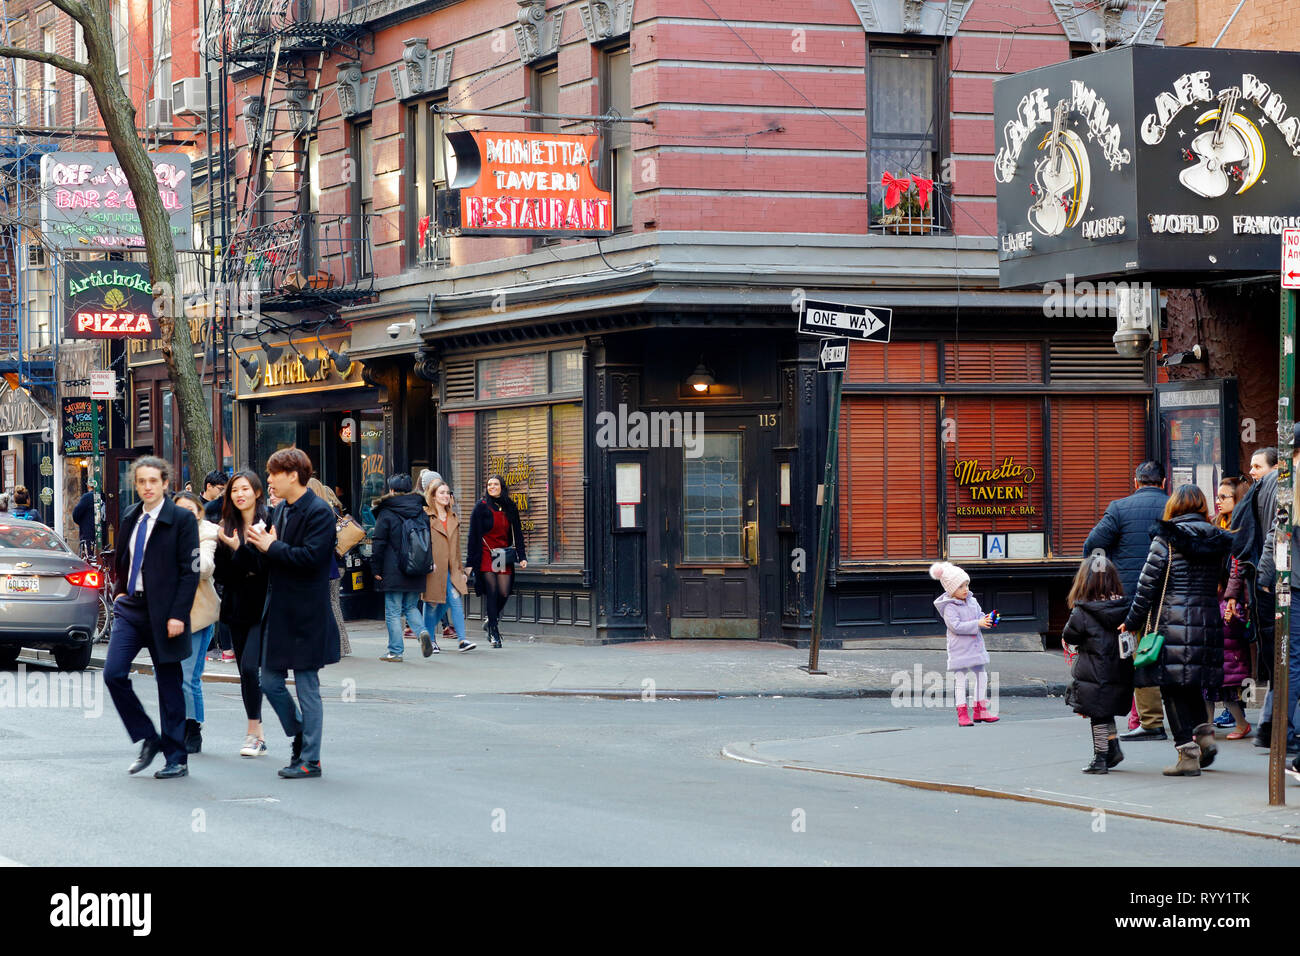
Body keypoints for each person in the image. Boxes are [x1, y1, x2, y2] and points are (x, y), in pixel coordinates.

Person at [1121, 484, 1233, 777]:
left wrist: (1131, 622)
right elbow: (1221, 582)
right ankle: (1206, 737)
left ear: (1174, 506)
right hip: (1207, 621)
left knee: (1171, 688)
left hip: (1172, 623)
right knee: (1193, 683)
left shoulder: (1166, 539)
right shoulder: (1218, 540)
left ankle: (1187, 754)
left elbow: (1146, 587)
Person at [102, 457, 200, 779]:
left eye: (153, 481)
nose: (147, 487)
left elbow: (190, 573)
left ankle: (176, 757)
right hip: (131, 609)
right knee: (113, 673)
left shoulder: (182, 520)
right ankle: (148, 737)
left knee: (169, 684)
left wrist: (178, 615)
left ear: (165, 483)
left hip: (165, 613)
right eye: (141, 481)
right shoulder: (131, 514)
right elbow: (122, 558)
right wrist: (118, 590)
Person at [246, 448, 340, 778]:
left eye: (274, 473)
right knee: (268, 681)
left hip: (306, 613)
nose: (268, 479)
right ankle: (300, 732)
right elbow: (273, 560)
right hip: (279, 610)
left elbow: (311, 559)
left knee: (307, 686)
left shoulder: (319, 512)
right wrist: (257, 545)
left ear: (293, 475)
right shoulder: (281, 510)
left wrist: (271, 547)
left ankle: (310, 759)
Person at [1083, 460, 1170, 742]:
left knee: (1141, 655)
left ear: (1136, 482)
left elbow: (1092, 545)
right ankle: (1191, 721)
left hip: (1133, 597)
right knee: (1176, 655)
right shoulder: (1173, 506)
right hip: (1173, 594)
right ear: (1164, 482)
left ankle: (1152, 721)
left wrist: (1107, 576)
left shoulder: (1119, 508)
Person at [1232, 446, 1286, 750]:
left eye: (1256, 466)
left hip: (1264, 584)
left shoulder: (1262, 490)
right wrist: (1266, 578)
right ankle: (1273, 726)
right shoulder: (1280, 485)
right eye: (1251, 466)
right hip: (1274, 581)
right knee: (1284, 656)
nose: (1251, 472)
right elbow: (1274, 537)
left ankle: (1269, 723)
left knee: (1277, 654)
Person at [214, 470, 271, 757]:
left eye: (245, 489)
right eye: (234, 490)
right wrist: (242, 557)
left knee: (251, 668)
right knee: (244, 673)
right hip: (237, 608)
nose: (239, 494)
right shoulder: (226, 526)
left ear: (257, 492)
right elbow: (222, 574)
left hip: (264, 608)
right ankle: (256, 733)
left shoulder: (270, 522)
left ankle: (254, 733)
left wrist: (240, 552)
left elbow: (266, 569)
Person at [1062, 553, 1133, 773]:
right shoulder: (1123, 606)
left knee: (1097, 716)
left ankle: (1100, 758)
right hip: (1119, 670)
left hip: (1094, 671)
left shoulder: (1083, 611)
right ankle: (1113, 749)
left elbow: (1070, 635)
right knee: (1105, 711)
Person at [173, 492, 220, 755]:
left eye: (191, 510)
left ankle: (193, 728)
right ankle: (175, 725)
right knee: (170, 675)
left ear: (199, 512)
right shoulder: (164, 532)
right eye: (180, 510)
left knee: (188, 677)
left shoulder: (206, 533)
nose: (186, 515)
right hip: (168, 615)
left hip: (197, 615)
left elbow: (205, 568)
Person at [929, 561, 998, 727]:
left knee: (982, 676)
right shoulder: (949, 608)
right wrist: (978, 624)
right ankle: (962, 713)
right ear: (951, 589)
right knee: (961, 680)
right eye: (960, 586)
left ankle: (980, 710)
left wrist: (987, 619)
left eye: (966, 584)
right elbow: (956, 627)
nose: (965, 589)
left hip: (975, 646)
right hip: (959, 648)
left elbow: (979, 615)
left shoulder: (972, 601)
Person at [371, 473, 430, 663]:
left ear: (391, 490)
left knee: (393, 612)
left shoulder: (386, 511)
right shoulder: (421, 511)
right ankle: (422, 632)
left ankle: (395, 651)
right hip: (416, 567)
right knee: (411, 607)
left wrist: (376, 568)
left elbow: (379, 543)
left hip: (392, 569)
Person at [468, 475, 527, 649]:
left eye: (495, 484)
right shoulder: (481, 506)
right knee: (492, 592)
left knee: (504, 592)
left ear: (502, 486)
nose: (492, 487)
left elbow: (518, 532)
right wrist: (470, 562)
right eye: (489, 484)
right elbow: (473, 535)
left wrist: (522, 556)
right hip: (486, 552)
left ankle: (490, 619)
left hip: (502, 554)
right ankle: (494, 631)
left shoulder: (510, 506)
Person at [1213, 475, 1251, 730]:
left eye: (1224, 497)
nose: (1218, 502)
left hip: (1236, 600)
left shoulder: (1243, 526)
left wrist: (1234, 599)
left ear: (1238, 499)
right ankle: (1233, 710)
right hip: (1220, 596)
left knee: (1237, 657)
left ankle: (1238, 711)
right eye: (1217, 496)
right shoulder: (1219, 524)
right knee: (1227, 657)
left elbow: (1238, 566)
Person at [421, 478, 475, 655]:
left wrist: (461, 570)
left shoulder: (453, 516)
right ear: (434, 496)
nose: (446, 496)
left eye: (447, 492)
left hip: (451, 569)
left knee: (455, 600)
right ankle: (430, 640)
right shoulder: (425, 516)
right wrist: (427, 562)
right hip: (433, 568)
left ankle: (461, 639)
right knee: (433, 605)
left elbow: (457, 548)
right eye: (442, 492)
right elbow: (421, 543)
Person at [307, 477, 351, 657]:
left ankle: (338, 645)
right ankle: (341, 645)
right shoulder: (331, 509)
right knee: (334, 602)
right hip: (335, 564)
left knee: (331, 603)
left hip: (329, 565)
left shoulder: (321, 511)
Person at [72, 488, 97, 555]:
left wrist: (83, 524)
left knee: (89, 556)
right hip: (103, 535)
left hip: (89, 534)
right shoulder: (104, 497)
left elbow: (76, 514)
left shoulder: (88, 497)